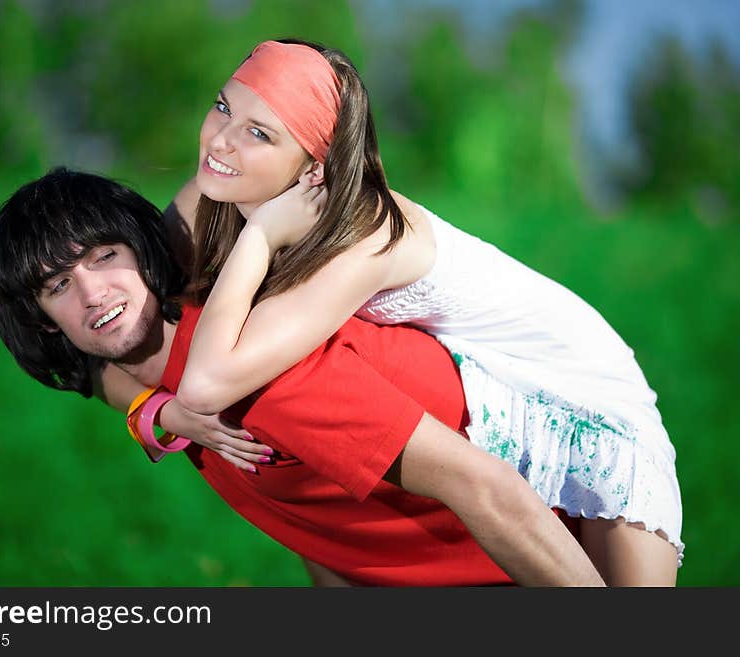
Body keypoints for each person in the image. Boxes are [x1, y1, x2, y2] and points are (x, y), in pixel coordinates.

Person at [102, 39, 683, 585]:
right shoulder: (212, 195)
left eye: (259, 132)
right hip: (485, 385)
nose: (221, 141)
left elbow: (204, 386)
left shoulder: (362, 233)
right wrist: (150, 414)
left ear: (314, 167)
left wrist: (258, 238)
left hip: (587, 393)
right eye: (223, 107)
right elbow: (95, 331)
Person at [0, 168, 605, 587]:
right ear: (42, 322)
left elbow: (488, 489)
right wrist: (154, 413)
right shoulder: (154, 370)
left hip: (558, 531)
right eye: (59, 285)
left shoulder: (263, 372)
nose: (94, 294)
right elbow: (313, 526)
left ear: (146, 250)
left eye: (105, 257)